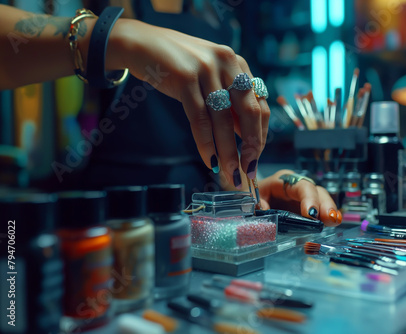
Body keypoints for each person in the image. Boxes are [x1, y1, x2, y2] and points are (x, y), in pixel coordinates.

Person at [0, 1, 342, 226]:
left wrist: (250, 193)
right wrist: (115, 37)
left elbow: (211, 142)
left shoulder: (220, 15)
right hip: (108, 216)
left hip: (196, 219)